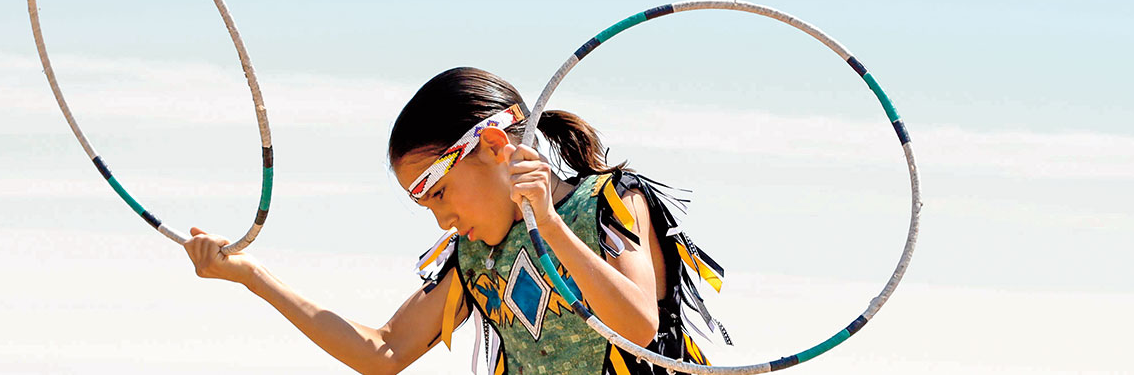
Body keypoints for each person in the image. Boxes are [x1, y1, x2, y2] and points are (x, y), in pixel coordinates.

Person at [183, 67, 728, 374]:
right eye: (426, 205)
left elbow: (636, 325)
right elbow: (385, 351)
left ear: (493, 146)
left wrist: (549, 227)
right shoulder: (476, 258)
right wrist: (252, 277)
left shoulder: (606, 202)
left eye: (439, 192)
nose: (443, 219)